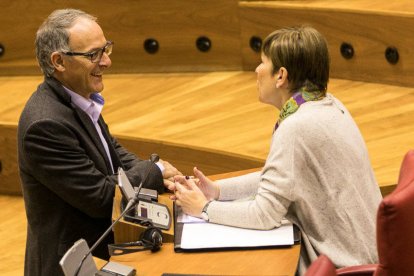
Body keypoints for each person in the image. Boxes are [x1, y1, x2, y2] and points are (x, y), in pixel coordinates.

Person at [171, 26, 382, 275]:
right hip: (366, 251)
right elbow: (281, 177)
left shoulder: (297, 127)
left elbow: (264, 215)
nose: (256, 70)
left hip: (344, 264)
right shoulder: (328, 104)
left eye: (262, 62)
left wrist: (204, 209)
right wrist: (217, 191)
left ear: (280, 76)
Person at [17, 9, 180, 276]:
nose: (106, 62)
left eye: (106, 50)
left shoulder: (76, 98)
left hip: (102, 251)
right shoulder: (45, 126)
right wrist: (154, 172)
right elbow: (102, 198)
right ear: (58, 61)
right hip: (73, 267)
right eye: (94, 54)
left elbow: (111, 151)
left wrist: (157, 172)